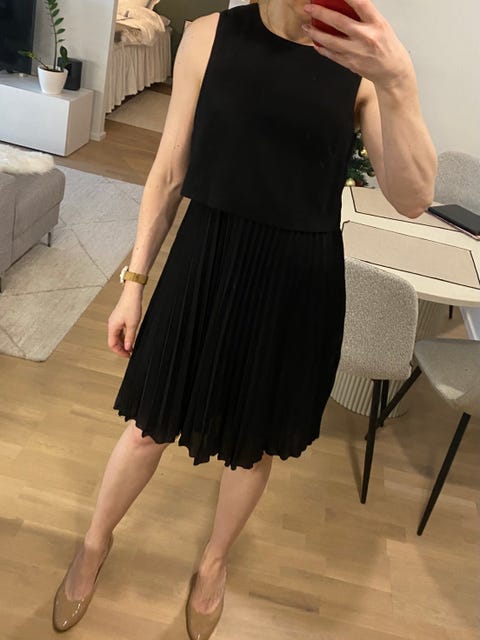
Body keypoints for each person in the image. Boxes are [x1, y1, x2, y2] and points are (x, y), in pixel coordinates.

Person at [52, 0, 437, 637]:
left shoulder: (360, 65)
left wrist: (399, 80)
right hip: (205, 260)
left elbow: (413, 197)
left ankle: (214, 562)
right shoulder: (208, 37)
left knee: (252, 446)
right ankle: (95, 541)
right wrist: (134, 284)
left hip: (297, 280)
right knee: (148, 425)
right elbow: (169, 171)